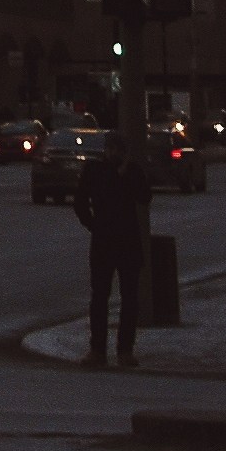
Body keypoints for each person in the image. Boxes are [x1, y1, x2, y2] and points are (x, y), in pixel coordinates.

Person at [78, 122, 153, 367]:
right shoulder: (95, 171)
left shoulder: (132, 172)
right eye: (110, 149)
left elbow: (145, 197)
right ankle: (97, 349)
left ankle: (125, 350)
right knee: (100, 297)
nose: (114, 154)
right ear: (105, 150)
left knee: (129, 298)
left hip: (128, 242)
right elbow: (80, 201)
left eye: (118, 149)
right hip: (103, 242)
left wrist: (127, 173)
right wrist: (93, 224)